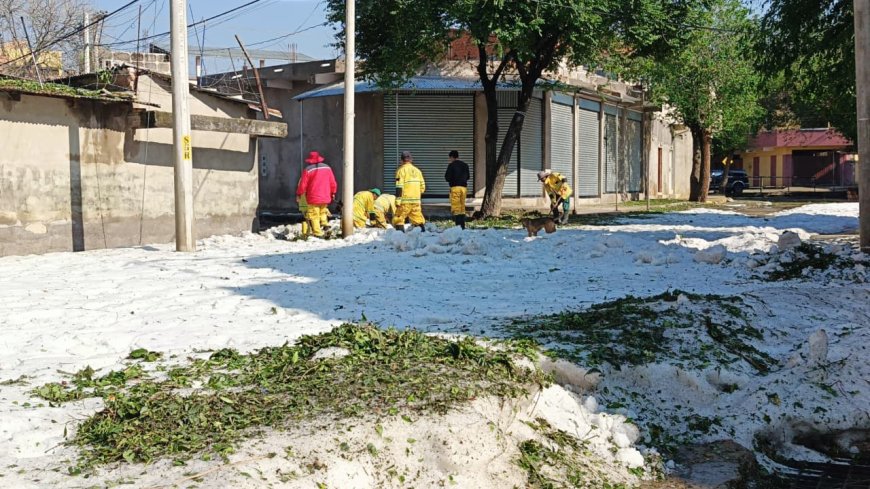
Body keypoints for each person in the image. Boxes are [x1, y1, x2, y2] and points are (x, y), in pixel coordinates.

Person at [296, 151, 337, 237]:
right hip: (325, 196)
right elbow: (333, 182)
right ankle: (325, 225)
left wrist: (299, 194)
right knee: (323, 212)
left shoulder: (308, 170)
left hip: (313, 197)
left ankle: (318, 233)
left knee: (314, 215)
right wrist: (333, 192)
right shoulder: (328, 168)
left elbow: (303, 185)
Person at [392, 151, 426, 231]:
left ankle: (400, 239)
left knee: (398, 219)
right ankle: (422, 235)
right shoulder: (418, 171)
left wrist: (398, 201)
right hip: (416, 201)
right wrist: (416, 194)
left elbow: (399, 187)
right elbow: (423, 187)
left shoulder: (400, 171)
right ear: (411, 160)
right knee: (417, 219)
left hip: (405, 201)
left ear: (401, 160)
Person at [444, 150, 470, 229]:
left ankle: (458, 226)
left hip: (455, 188)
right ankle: (463, 226)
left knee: (456, 207)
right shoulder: (465, 165)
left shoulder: (451, 165)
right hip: (464, 188)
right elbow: (468, 177)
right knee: (462, 207)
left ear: (452, 157)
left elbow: (447, 178)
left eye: (450, 158)